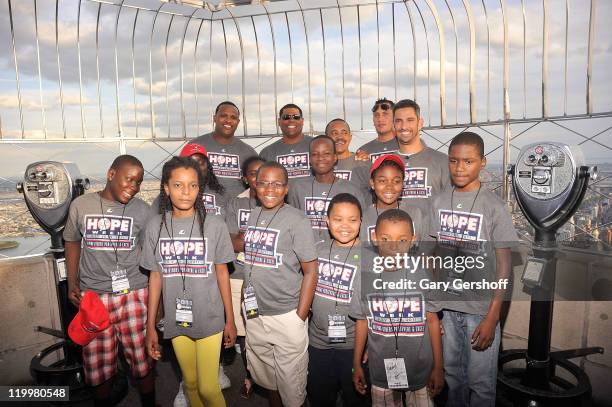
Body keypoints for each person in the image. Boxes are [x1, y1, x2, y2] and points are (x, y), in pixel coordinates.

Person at [428, 132, 518, 406]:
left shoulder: (494, 206)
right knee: (454, 378)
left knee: (481, 385)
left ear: (482, 163)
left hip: (480, 312)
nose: (459, 168)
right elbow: (435, 256)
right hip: (448, 309)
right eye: (454, 161)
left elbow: (505, 267)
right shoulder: (439, 201)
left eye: (468, 161)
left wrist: (493, 317)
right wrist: (434, 305)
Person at [141, 156, 237, 407]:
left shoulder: (214, 225)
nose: (186, 192)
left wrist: (230, 320)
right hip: (175, 318)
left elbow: (222, 274)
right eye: (178, 185)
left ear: (200, 188)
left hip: (210, 317)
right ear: (166, 188)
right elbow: (155, 276)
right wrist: (150, 325)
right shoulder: (155, 226)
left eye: (193, 185)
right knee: (191, 384)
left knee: (208, 387)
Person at [64, 155, 155, 407]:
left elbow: (150, 257)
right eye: (129, 179)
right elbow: (71, 241)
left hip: (135, 294)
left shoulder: (143, 211)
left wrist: (156, 304)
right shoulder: (81, 205)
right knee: (98, 365)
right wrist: (73, 282)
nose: (134, 187)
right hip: (94, 298)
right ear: (111, 174)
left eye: (138, 182)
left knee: (142, 361)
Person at [242, 161, 318, 407]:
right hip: (254, 314)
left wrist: (299, 317)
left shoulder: (297, 220)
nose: (269, 189)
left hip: (286, 315)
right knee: (268, 380)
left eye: (277, 184)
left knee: (292, 387)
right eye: (263, 183)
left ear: (286, 188)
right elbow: (251, 262)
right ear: (255, 185)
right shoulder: (254, 214)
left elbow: (311, 270)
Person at [351, 209, 444, 406]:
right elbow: (362, 321)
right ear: (374, 238)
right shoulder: (364, 277)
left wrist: (439, 367)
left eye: (401, 240)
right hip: (381, 371)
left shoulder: (424, 275)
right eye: (385, 238)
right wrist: (356, 364)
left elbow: (433, 320)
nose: (393, 246)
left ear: (413, 240)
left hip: (421, 371)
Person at [307, 193, 368, 407]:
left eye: (352, 220)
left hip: (353, 345)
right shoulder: (317, 250)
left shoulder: (370, 256)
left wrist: (368, 346)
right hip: (318, 342)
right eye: (337, 219)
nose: (345, 226)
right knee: (320, 396)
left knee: (355, 397)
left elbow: (373, 309)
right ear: (327, 221)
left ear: (361, 221)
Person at [224, 155, 265, 399]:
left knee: (261, 330)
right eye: (253, 174)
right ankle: (250, 375)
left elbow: (277, 244)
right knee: (243, 331)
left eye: (262, 173)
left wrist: (245, 238)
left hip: (268, 277)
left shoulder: (276, 201)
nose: (258, 179)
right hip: (238, 276)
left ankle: (262, 376)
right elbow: (231, 241)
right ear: (244, 178)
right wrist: (255, 239)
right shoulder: (234, 203)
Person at [288, 135, 367, 242]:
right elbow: (292, 224)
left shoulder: (352, 190)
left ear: (335, 157)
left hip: (340, 254)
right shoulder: (298, 188)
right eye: (315, 154)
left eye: (326, 154)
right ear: (310, 159)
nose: (321, 158)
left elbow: (361, 228)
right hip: (306, 254)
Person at [191, 101, 258, 200]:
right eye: (223, 116)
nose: (228, 120)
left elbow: (257, 184)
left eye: (233, 117)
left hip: (235, 212)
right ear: (214, 118)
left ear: (238, 122)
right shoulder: (196, 146)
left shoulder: (248, 152)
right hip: (203, 210)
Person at [393, 99, 451, 212]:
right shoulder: (386, 163)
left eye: (410, 120)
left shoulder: (442, 161)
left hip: (430, 229)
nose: (404, 126)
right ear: (393, 125)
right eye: (399, 121)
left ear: (420, 123)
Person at [360, 154, 425, 243]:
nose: (389, 187)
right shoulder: (364, 216)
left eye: (396, 181)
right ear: (372, 183)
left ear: (402, 184)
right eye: (382, 181)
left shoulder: (414, 213)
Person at [260, 104, 313, 179]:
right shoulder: (267, 153)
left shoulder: (317, 145)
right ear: (279, 121)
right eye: (286, 117)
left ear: (302, 121)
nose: (291, 120)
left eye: (296, 117)